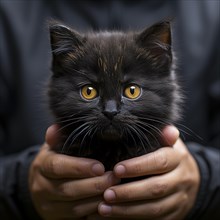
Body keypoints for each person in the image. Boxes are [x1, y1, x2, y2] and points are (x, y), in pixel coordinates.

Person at [0, 0, 219, 219]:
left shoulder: (211, 12)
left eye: (132, 91)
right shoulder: (8, 12)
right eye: (89, 92)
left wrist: (203, 180)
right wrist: (21, 185)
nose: (111, 110)